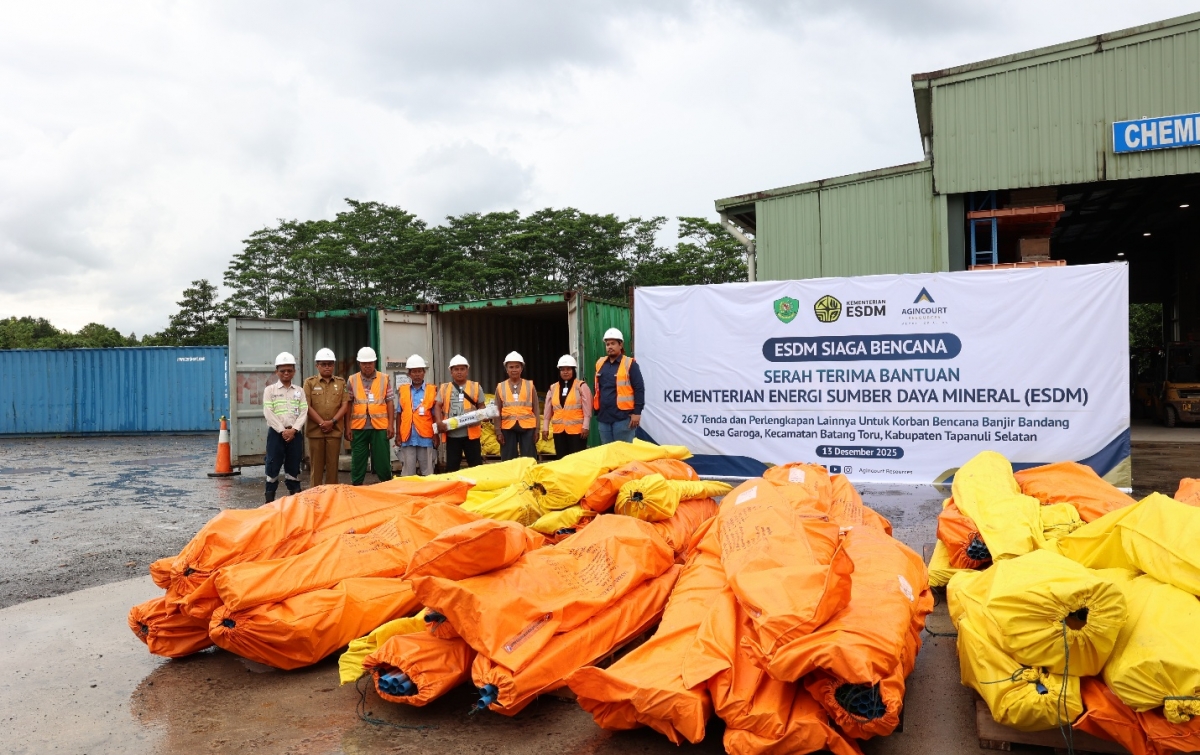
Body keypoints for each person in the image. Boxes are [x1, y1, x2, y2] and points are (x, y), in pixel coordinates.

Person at [344, 346, 394, 485]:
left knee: (382, 460)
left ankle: (387, 486)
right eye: (364, 363)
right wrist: (347, 427)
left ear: (375, 363)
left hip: (380, 427)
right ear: (359, 363)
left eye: (370, 363)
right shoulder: (352, 380)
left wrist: (390, 425)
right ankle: (356, 487)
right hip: (359, 428)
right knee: (358, 460)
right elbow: (348, 404)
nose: (367, 366)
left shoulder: (384, 379)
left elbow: (390, 402)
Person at [263, 351, 308, 502]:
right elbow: (268, 412)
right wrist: (283, 431)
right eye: (282, 371)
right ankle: (269, 504)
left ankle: (296, 504)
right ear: (277, 372)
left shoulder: (299, 391)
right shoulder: (270, 391)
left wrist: (294, 430)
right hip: (276, 434)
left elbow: (304, 411)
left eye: (289, 370)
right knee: (272, 466)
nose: (286, 373)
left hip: (294, 434)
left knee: (293, 467)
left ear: (294, 371)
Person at [302, 348, 347, 487]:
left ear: (334, 365)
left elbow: (345, 405)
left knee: (333, 467)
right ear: (317, 365)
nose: (327, 367)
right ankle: (315, 498)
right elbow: (307, 406)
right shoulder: (309, 383)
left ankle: (332, 497)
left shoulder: (341, 383)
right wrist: (322, 423)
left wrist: (332, 422)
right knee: (316, 467)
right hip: (316, 432)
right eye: (323, 364)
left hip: (334, 431)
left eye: (330, 364)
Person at [434, 354, 487, 471]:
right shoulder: (444, 388)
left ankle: (477, 488)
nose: (459, 372)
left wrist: (486, 414)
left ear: (467, 371)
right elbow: (437, 406)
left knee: (476, 466)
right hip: (453, 435)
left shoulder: (476, 386)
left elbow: (481, 406)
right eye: (456, 369)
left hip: (471, 435)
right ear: (451, 372)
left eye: (462, 369)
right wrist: (438, 421)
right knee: (452, 467)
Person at [593, 328, 644, 444]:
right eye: (607, 344)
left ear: (620, 345)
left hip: (623, 418)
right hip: (604, 418)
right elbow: (596, 388)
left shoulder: (630, 364)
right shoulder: (600, 364)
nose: (609, 347)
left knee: (624, 454)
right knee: (609, 454)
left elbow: (639, 389)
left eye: (613, 343)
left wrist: (637, 413)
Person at [395, 354, 438, 476]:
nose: (417, 374)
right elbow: (399, 413)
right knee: (408, 474)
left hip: (426, 438)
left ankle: (428, 494)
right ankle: (409, 495)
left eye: (419, 371)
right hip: (407, 437)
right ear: (409, 374)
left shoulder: (432, 390)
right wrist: (398, 434)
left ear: (424, 372)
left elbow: (435, 415)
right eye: (414, 371)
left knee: (428, 472)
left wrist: (436, 435)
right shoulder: (403, 390)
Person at [542, 354, 592, 458]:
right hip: (559, 430)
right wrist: (545, 427)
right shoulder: (553, 388)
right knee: (561, 458)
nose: (565, 372)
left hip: (577, 431)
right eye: (562, 369)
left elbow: (587, 408)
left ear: (574, 370)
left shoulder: (581, 386)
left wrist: (586, 426)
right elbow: (547, 411)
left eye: (568, 369)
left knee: (577, 459)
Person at [493, 351, 539, 460]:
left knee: (529, 459)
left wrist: (537, 430)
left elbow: (536, 409)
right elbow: (496, 411)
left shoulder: (530, 385)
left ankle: (528, 477)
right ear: (506, 369)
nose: (514, 370)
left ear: (522, 368)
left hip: (528, 427)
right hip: (507, 427)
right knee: (508, 459)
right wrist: (498, 431)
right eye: (511, 367)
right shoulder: (500, 387)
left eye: (517, 367)